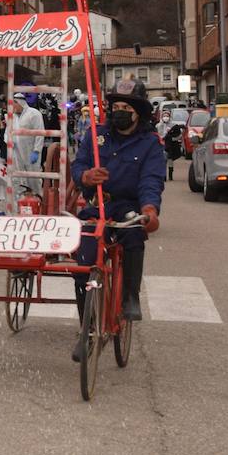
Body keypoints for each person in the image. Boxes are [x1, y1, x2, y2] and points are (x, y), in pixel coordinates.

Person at [70, 78, 165, 362]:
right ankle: (86, 331)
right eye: (117, 106)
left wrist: (150, 210)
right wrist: (85, 176)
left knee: (134, 234)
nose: (120, 111)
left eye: (127, 107)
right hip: (97, 207)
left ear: (139, 113)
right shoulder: (95, 135)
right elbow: (79, 164)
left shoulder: (150, 143)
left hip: (129, 207)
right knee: (83, 262)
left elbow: (151, 179)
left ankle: (130, 297)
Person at [7, 91, 45, 194]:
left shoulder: (34, 114)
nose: (12, 107)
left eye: (14, 104)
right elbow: (7, 132)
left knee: (33, 179)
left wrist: (36, 150)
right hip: (16, 153)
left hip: (31, 152)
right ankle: (20, 203)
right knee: (19, 180)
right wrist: (9, 142)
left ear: (20, 103)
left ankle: (37, 199)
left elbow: (40, 132)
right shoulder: (12, 117)